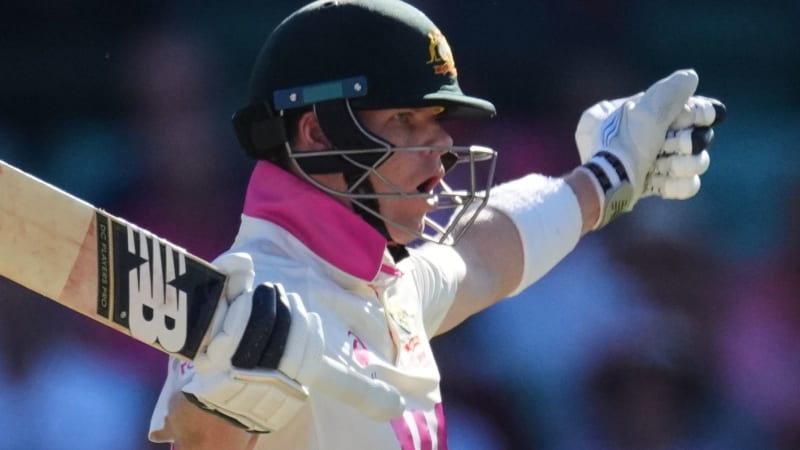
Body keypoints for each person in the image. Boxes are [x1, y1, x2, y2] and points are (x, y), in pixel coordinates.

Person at [147, 1, 725, 449]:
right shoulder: (246, 298)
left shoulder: (387, 289)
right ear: (318, 135)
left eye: (436, 119)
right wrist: (218, 411)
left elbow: (483, 253)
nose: (442, 144)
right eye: (406, 118)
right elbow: (200, 432)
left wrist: (608, 176)